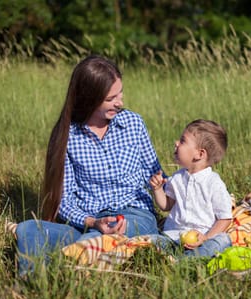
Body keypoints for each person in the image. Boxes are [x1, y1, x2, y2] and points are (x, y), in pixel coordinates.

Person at [14, 55, 167, 275]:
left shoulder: (134, 123)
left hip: (134, 216)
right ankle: (32, 285)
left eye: (120, 93)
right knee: (28, 229)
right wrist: (93, 221)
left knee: (96, 239)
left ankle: (64, 269)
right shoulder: (68, 136)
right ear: (89, 99)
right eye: (110, 98)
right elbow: (64, 201)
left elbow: (156, 175)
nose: (120, 102)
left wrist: (193, 183)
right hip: (88, 222)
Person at [149, 119, 233, 258]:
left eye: (182, 141)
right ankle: (181, 259)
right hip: (173, 237)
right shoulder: (176, 178)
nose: (176, 143)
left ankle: (183, 261)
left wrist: (206, 238)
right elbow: (166, 206)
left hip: (202, 239)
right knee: (151, 240)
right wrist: (157, 189)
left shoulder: (213, 183)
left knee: (223, 240)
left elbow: (224, 219)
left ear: (199, 154)